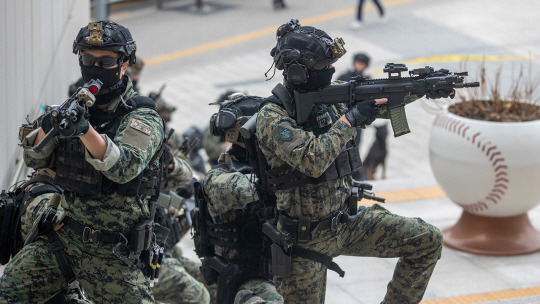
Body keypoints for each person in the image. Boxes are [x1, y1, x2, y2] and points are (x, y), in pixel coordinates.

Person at [255, 19, 443, 303]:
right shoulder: (273, 116)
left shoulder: (330, 97)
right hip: (304, 237)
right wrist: (350, 119)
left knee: (427, 240)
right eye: (324, 67)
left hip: (348, 222)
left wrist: (422, 88)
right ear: (297, 72)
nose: (331, 71)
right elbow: (312, 159)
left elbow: (380, 101)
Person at [0, 21, 165, 303]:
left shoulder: (141, 117)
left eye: (106, 61)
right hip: (64, 237)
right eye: (88, 59)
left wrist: (84, 130)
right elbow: (34, 157)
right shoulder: (74, 107)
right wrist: (51, 123)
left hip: (112, 252)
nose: (95, 67)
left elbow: (123, 167)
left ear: (124, 64)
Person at [193, 92, 283, 304]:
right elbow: (254, 192)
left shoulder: (266, 169)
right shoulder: (219, 178)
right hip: (242, 278)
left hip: (273, 271)